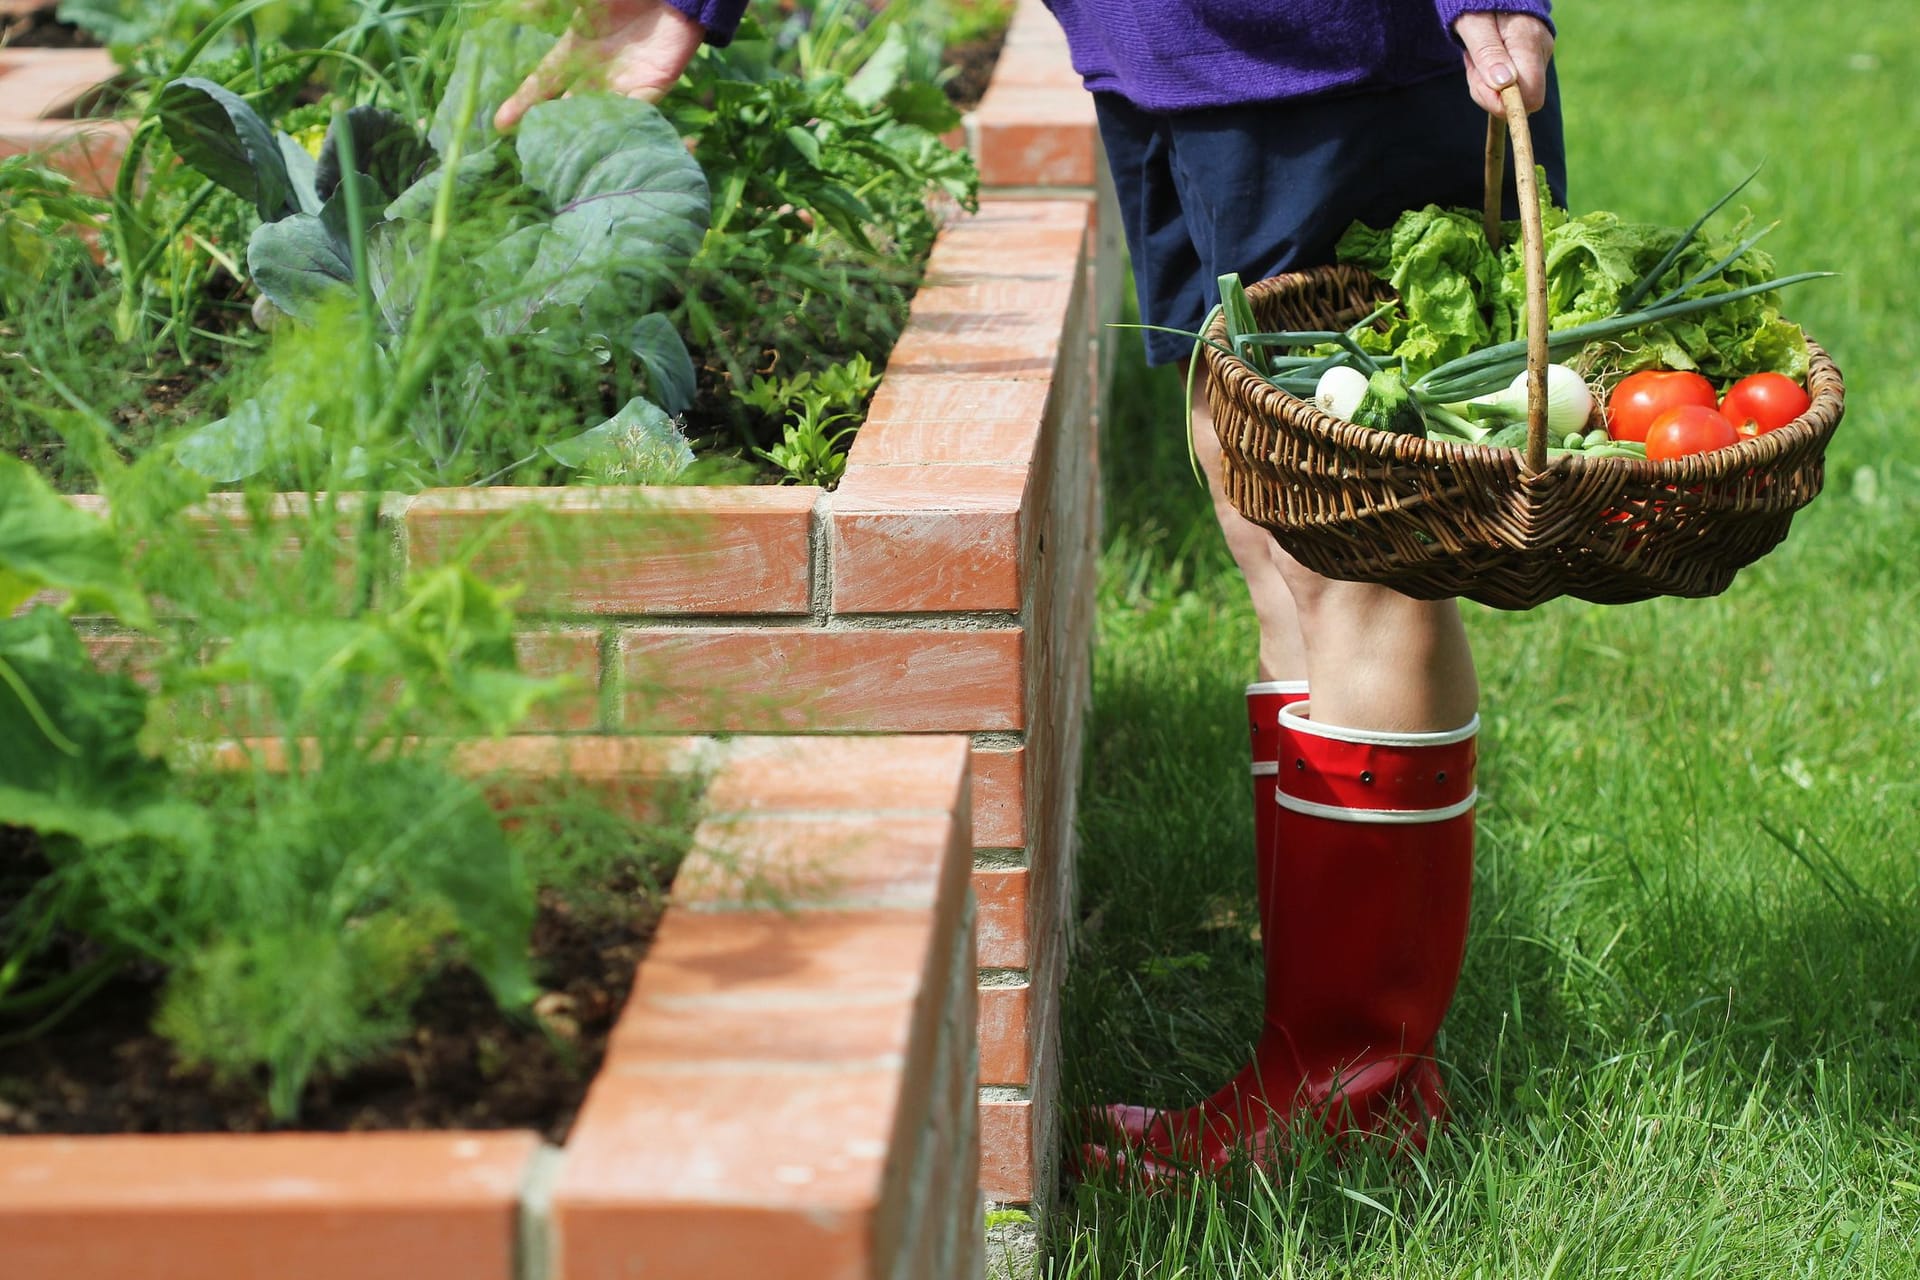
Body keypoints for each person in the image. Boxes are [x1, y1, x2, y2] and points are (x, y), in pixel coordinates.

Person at [500, 0, 1568, 1185]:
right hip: (1167, 56)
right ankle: (1314, 1057)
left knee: (1358, 542)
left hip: (1327, 62)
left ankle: (1357, 1075)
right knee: (1262, 500)